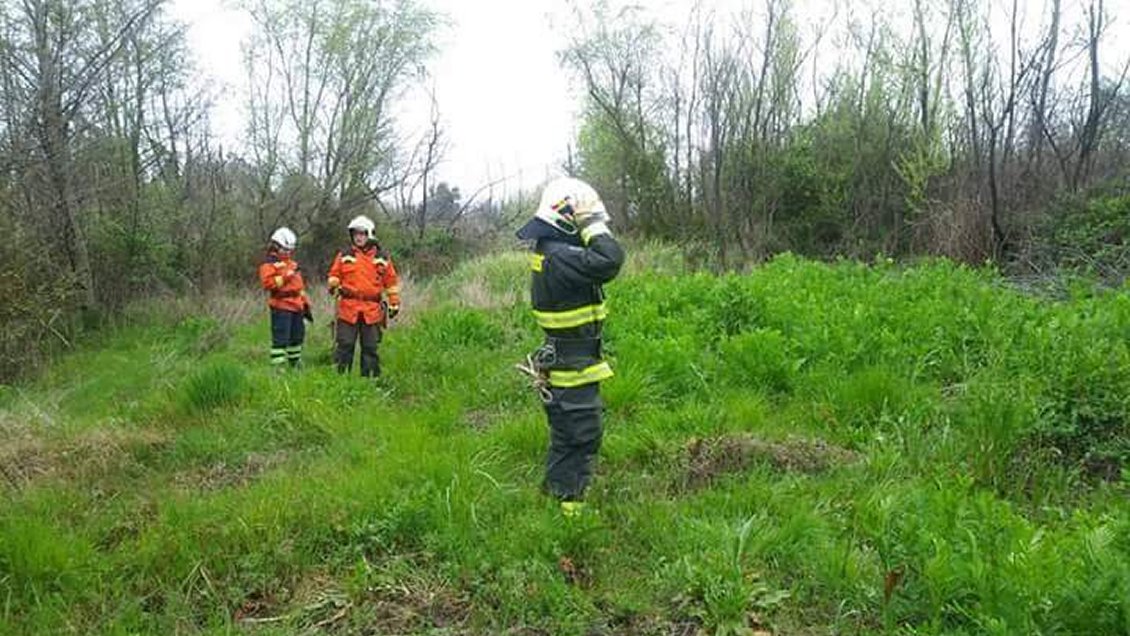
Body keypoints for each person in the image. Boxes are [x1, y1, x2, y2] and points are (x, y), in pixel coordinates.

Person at [516, 177, 625, 517]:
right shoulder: (561, 255)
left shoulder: (553, 252)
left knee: (567, 437)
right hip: (571, 368)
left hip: (568, 361)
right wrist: (591, 224)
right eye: (582, 217)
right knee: (581, 436)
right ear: (567, 216)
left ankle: (553, 499)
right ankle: (569, 516)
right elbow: (609, 259)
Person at [327, 215, 401, 377]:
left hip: (372, 310)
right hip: (348, 308)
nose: (358, 237)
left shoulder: (381, 258)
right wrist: (333, 283)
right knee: (344, 344)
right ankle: (340, 379)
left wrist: (394, 302)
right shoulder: (345, 255)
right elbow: (334, 273)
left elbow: (391, 282)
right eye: (355, 234)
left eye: (362, 234)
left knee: (370, 347)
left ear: (369, 235)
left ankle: (370, 381)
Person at [258, 227, 312, 369]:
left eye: (290, 250)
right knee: (281, 338)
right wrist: (285, 277)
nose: (288, 253)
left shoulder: (293, 264)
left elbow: (300, 287)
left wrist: (306, 305)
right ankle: (278, 367)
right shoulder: (268, 265)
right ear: (276, 246)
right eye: (285, 249)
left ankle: (295, 363)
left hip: (297, 306)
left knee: (297, 337)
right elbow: (268, 284)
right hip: (281, 306)